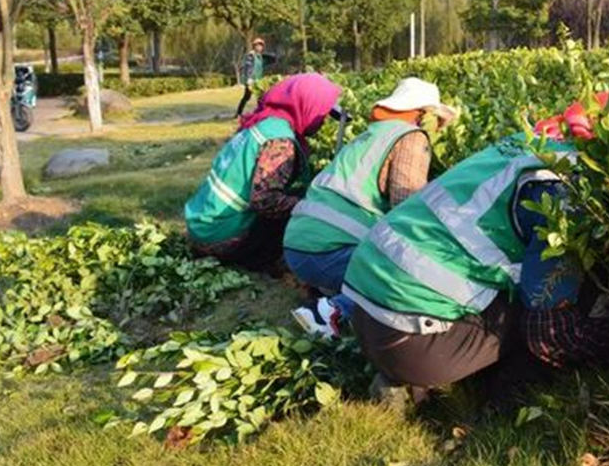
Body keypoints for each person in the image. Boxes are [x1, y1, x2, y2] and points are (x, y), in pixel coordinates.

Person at [341, 89, 609, 396]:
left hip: (365, 312)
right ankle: (503, 396)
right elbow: (548, 334)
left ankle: (408, 376)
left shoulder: (529, 144)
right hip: (412, 342)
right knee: (557, 304)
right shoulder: (568, 186)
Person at [283, 77, 457, 335]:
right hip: (328, 250)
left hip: (297, 246)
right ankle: (330, 313)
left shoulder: (370, 135)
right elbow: (406, 209)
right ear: (422, 115)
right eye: (437, 121)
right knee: (411, 278)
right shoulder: (411, 137)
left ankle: (329, 294)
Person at [185, 73, 343, 272]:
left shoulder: (265, 123)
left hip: (201, 226)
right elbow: (264, 201)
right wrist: (311, 207)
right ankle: (266, 260)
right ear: (306, 105)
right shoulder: (280, 142)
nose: (322, 123)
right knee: (306, 208)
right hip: (221, 237)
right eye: (321, 114)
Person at [235, 37, 267, 117]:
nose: (259, 47)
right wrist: (249, 78)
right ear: (254, 46)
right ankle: (238, 113)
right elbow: (248, 67)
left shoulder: (260, 56)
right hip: (251, 80)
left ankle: (261, 112)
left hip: (259, 80)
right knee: (247, 97)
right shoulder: (251, 56)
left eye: (261, 45)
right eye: (257, 45)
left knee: (261, 97)